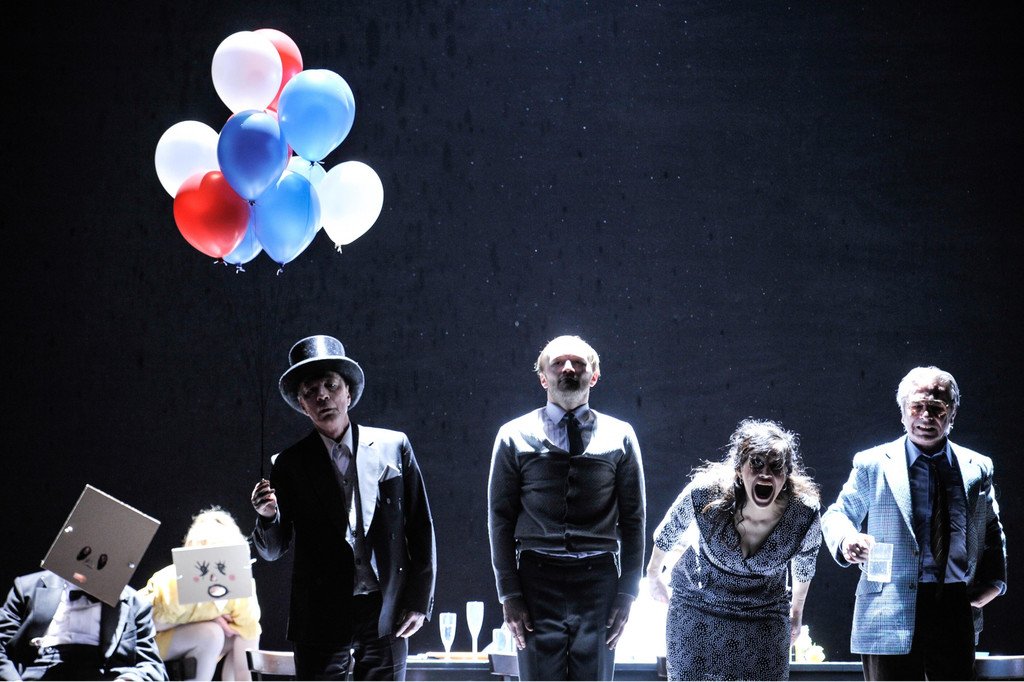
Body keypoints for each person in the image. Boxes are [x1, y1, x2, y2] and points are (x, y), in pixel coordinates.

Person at [250, 335, 436, 681]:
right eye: (310, 391)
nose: (322, 395)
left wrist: (419, 600)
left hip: (385, 608)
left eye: (331, 385)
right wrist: (268, 517)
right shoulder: (290, 464)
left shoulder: (394, 446)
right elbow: (273, 550)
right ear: (302, 405)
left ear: (348, 392)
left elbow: (420, 526)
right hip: (319, 613)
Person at [821, 366, 1007, 680]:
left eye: (936, 408)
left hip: (953, 604)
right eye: (916, 407)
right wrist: (846, 540)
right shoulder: (873, 463)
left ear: (952, 413)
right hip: (888, 606)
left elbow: (990, 526)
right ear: (902, 413)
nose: (925, 416)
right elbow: (837, 514)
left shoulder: (977, 467)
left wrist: (995, 583)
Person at [487, 334, 646, 681]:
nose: (568, 368)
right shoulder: (514, 435)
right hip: (536, 580)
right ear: (543, 378)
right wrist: (509, 593)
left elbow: (634, 520)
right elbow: (500, 520)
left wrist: (628, 592)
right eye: (558, 363)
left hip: (598, 581)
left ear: (594, 376)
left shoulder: (620, 435)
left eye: (578, 362)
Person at [645, 418, 822, 681]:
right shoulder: (706, 494)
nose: (766, 474)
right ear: (739, 469)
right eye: (756, 464)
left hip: (763, 614)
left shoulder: (802, 514)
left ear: (786, 475)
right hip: (699, 608)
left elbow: (805, 563)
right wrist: (653, 575)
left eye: (776, 466)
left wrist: (796, 614)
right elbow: (670, 531)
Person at [141, 507, 261, 681]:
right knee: (212, 633)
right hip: (148, 642)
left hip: (194, 641)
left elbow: (248, 646)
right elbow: (147, 626)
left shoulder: (242, 594)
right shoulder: (172, 584)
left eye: (222, 565)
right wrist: (208, 618)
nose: (214, 576)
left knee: (239, 633)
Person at [0, 569, 166, 680]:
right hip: (39, 672)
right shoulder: (27, 587)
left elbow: (153, 667)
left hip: (103, 674)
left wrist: (128, 680)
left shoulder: (135, 603)